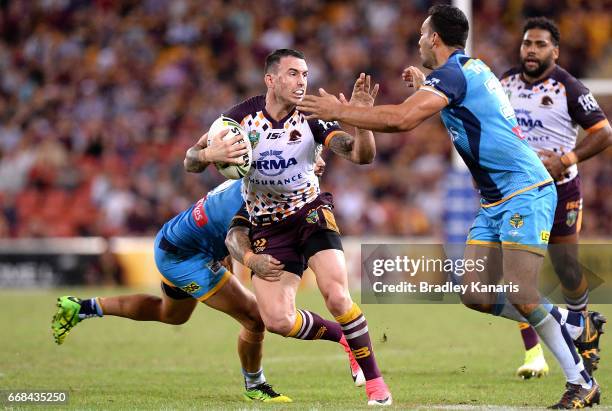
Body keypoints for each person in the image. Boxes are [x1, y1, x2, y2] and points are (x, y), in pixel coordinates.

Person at [297, 5, 604, 409]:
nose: (420, 40)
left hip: (525, 189)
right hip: (495, 198)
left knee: (522, 291)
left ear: (435, 39)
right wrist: (426, 82)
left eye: (423, 34)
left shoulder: (454, 75)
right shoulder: (468, 70)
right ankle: (574, 323)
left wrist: (339, 111)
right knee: (475, 294)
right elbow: (461, 101)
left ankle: (580, 382)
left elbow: (403, 120)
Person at [50, 132, 330, 403]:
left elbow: (226, 232)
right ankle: (255, 385)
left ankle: (82, 307)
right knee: (255, 317)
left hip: (175, 241)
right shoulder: (258, 200)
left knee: (170, 314)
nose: (315, 166)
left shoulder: (255, 182)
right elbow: (236, 236)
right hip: (184, 257)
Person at [219, 48, 392, 406]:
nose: (302, 82)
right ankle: (344, 338)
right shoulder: (239, 120)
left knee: (336, 294)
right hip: (267, 225)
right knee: (278, 321)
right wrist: (208, 155)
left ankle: (377, 385)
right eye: (294, 74)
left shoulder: (312, 117)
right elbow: (195, 156)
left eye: (305, 75)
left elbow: (362, 156)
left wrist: (360, 118)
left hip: (310, 213)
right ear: (271, 79)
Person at [499, 16, 611, 380]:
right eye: (527, 43)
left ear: (555, 51)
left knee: (565, 267)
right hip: (519, 191)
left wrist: (566, 159)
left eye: (540, 44)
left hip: (562, 190)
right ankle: (537, 350)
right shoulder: (505, 83)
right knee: (516, 276)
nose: (531, 50)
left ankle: (582, 327)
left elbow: (603, 132)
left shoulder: (569, 88)